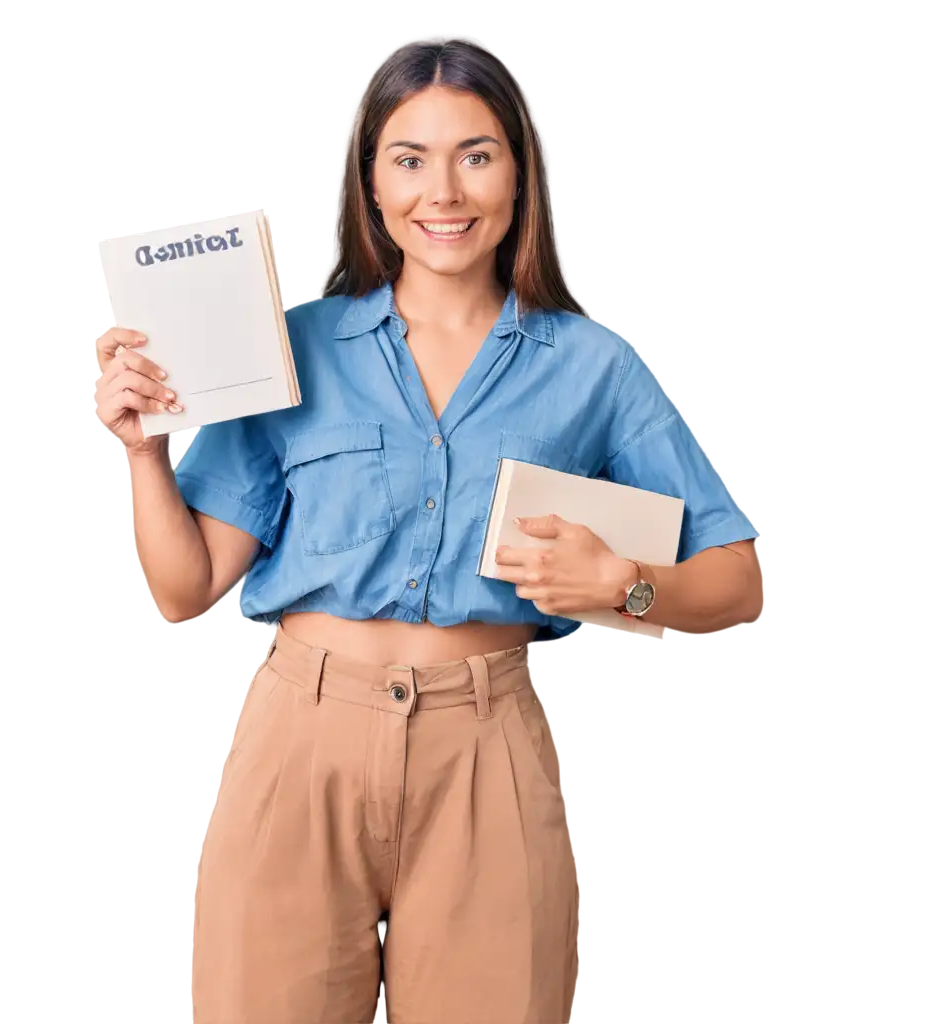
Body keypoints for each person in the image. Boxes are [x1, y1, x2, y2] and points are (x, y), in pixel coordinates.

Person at [91, 39, 761, 1024]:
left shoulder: (591, 367)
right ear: (369, 181)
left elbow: (734, 579)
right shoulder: (295, 343)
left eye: (475, 155)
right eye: (408, 158)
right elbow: (182, 588)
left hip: (487, 749)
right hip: (298, 741)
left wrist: (624, 583)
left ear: (518, 174)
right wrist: (142, 450)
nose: (442, 191)